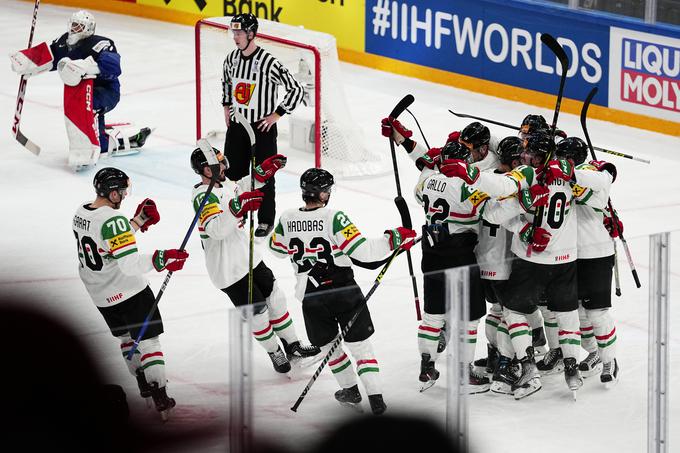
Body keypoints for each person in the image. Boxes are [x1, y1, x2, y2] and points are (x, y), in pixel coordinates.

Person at [268, 168, 416, 415]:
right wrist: (394, 239)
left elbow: (276, 249)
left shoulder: (286, 218)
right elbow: (364, 252)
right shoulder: (333, 217)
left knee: (330, 349)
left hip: (311, 297)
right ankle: (376, 398)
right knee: (361, 349)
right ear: (324, 193)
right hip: (344, 292)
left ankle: (350, 390)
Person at [190, 146, 320, 374]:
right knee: (258, 314)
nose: (220, 167)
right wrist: (237, 208)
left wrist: (263, 172)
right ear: (203, 171)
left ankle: (293, 345)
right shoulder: (203, 195)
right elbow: (217, 230)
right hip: (228, 270)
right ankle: (274, 352)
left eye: (221, 162)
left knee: (276, 299)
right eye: (214, 165)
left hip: (248, 258)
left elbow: (244, 186)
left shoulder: (227, 185)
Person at [72, 167, 188, 420]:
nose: (124, 195)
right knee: (149, 341)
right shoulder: (113, 221)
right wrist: (162, 258)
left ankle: (143, 383)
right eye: (122, 191)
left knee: (126, 339)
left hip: (100, 294)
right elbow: (129, 263)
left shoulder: (82, 212)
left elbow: (107, 246)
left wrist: (137, 222)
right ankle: (160, 394)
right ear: (112, 193)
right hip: (128, 291)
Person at [10, 10, 151, 169]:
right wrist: (27, 60)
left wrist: (86, 66)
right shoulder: (64, 42)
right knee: (79, 109)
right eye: (73, 24)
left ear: (88, 28)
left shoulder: (101, 43)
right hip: (81, 91)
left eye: (79, 26)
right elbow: (49, 55)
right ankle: (94, 144)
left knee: (89, 108)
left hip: (106, 91)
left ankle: (92, 148)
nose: (74, 29)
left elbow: (113, 67)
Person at [222, 13, 305, 237]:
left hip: (262, 130)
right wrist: (226, 108)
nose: (235, 37)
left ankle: (265, 220)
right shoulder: (231, 59)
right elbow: (226, 83)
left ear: (251, 33)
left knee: (264, 177)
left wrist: (277, 114)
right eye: (234, 32)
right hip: (238, 128)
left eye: (239, 33)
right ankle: (235, 217)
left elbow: (296, 89)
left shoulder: (268, 62)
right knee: (233, 176)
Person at [555, 137, 620, 386]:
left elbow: (605, 178)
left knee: (597, 313)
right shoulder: (561, 174)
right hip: (569, 253)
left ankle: (609, 360)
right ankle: (594, 352)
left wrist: (572, 173)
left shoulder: (595, 174)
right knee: (578, 314)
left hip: (597, 253)